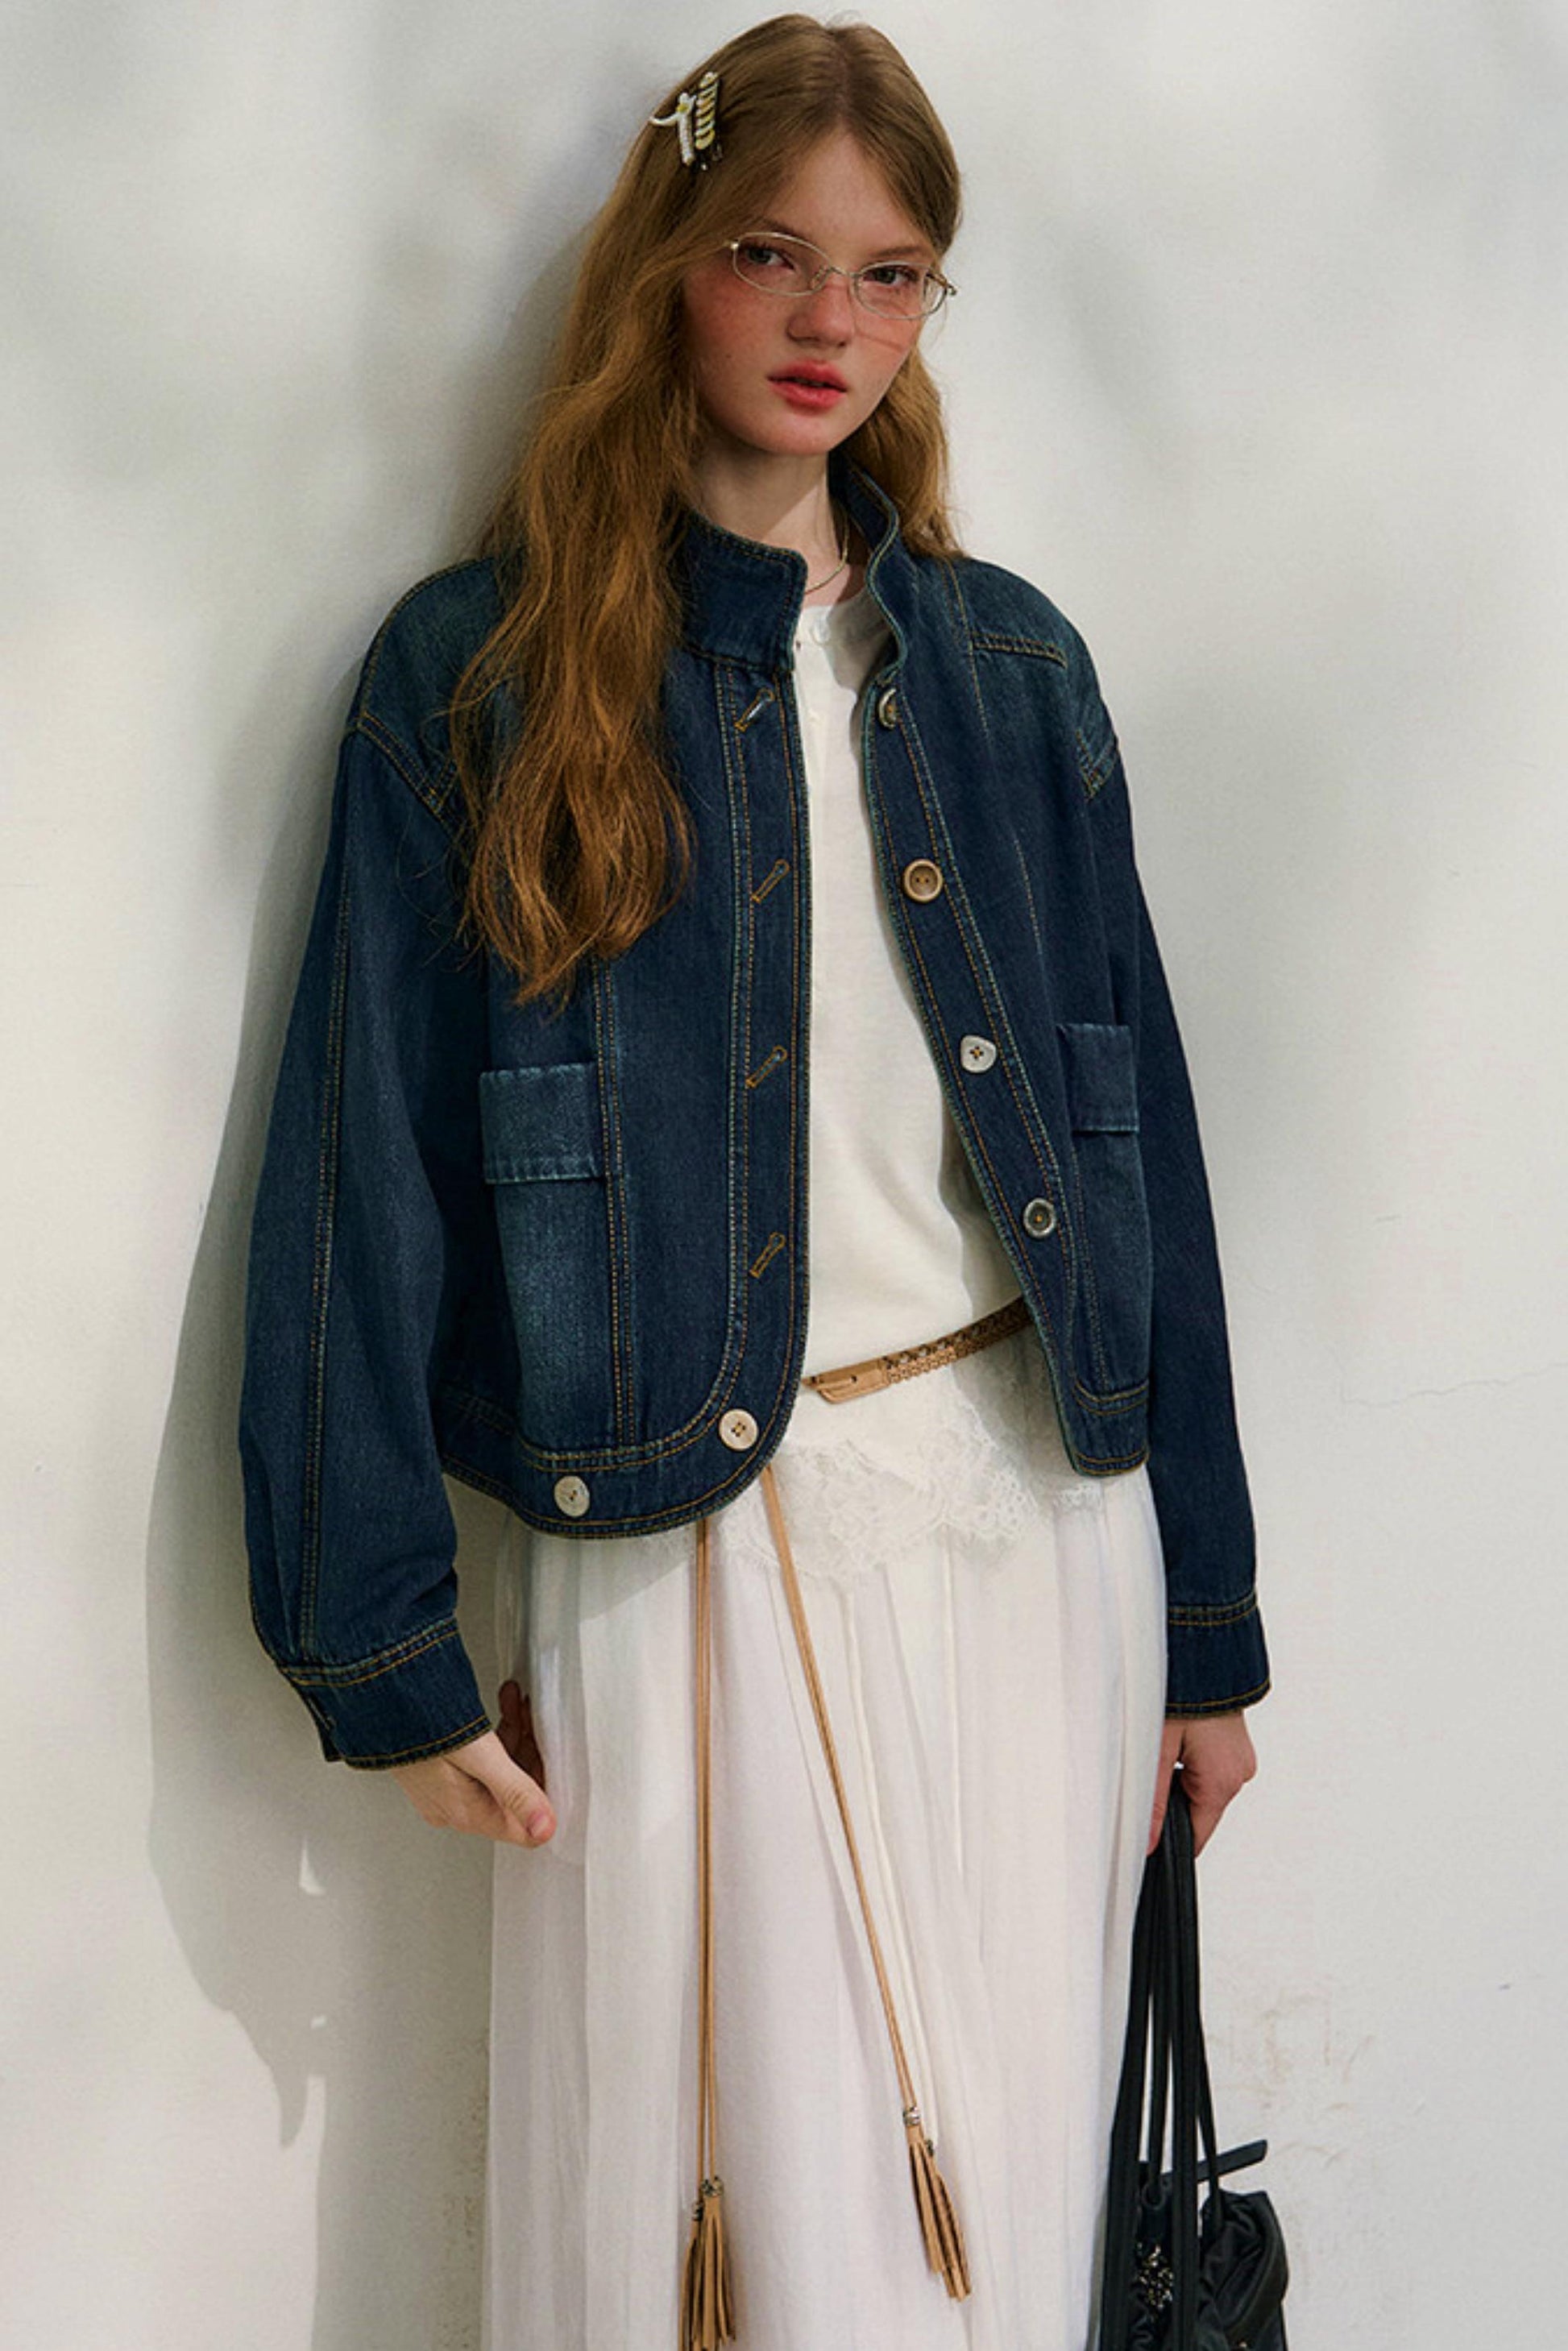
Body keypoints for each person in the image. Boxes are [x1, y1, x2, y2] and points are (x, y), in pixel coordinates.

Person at [239, 15, 1267, 2349]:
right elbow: (354, 1170)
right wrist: (376, 1639)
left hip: (1042, 1533)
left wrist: (1203, 1623)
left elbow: (1143, 1151)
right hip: (686, 1541)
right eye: (770, 255)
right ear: (666, 265)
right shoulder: (485, 675)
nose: (830, 322)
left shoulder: (1009, 672)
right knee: (737, 2243)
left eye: (891, 274)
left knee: (1007, 2205)